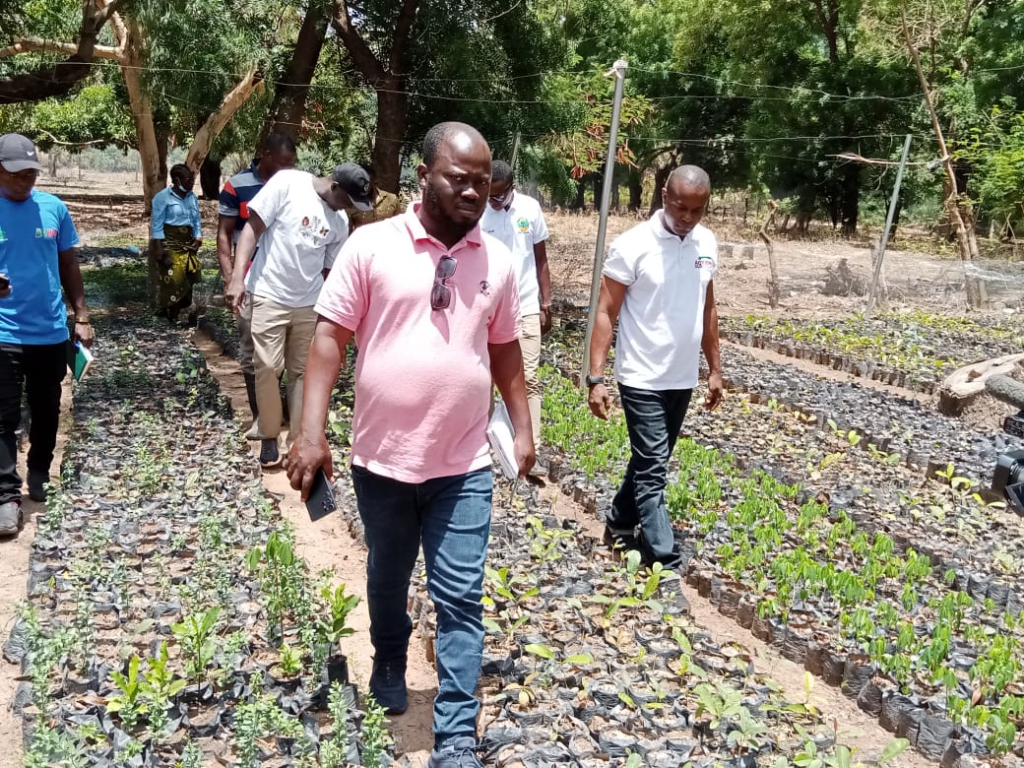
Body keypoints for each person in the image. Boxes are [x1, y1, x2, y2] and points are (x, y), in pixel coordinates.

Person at [287, 122, 534, 768]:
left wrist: (522, 425)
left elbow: (505, 349)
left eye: (482, 182)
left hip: (463, 464)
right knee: (388, 574)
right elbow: (328, 340)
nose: (473, 191)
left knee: (460, 596)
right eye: (459, 179)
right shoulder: (371, 247)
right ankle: (390, 659)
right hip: (383, 460)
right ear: (423, 177)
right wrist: (310, 433)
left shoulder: (498, 260)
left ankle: (454, 736)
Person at [587, 164, 723, 574]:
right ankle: (664, 557)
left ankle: (619, 522)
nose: (687, 218)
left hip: (681, 376)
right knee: (653, 467)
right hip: (640, 375)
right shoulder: (633, 245)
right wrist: (596, 377)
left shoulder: (706, 243)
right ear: (664, 196)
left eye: (697, 210)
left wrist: (715, 369)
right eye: (680, 207)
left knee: (651, 458)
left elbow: (708, 307)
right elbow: (605, 311)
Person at [224, 163, 373, 469]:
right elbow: (252, 229)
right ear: (334, 186)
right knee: (267, 366)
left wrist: (336, 321)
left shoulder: (340, 221)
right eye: (347, 201)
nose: (348, 208)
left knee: (303, 372)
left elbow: (330, 272)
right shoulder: (288, 184)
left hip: (309, 303)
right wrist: (237, 278)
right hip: (268, 293)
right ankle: (269, 434)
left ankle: (297, 440)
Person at [0, 133, 93, 536]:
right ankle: (6, 497)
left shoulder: (54, 208)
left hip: (50, 331)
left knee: (47, 408)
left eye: (31, 173)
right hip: (3, 332)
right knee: (3, 417)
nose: (25, 180)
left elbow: (68, 264)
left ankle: (39, 472)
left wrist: (81, 315)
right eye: (16, 174)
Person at [217, 134, 298, 437]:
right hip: (250, 282)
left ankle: (281, 411)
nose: (287, 170)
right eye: (283, 163)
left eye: (292, 164)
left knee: (285, 353)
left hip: (286, 283)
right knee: (253, 350)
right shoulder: (237, 186)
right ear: (265, 154)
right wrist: (231, 279)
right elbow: (224, 235)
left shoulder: (295, 187)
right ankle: (260, 416)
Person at [481, 160, 551, 475]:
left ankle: (530, 449)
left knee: (529, 378)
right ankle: (482, 448)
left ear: (512, 188)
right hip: (488, 307)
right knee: (483, 378)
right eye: (490, 195)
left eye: (499, 196)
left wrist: (546, 303)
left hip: (525, 306)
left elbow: (540, 258)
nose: (493, 201)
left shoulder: (530, 209)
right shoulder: (479, 214)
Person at [150, 164, 203, 323]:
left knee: (189, 276)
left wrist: (198, 238)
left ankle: (177, 311)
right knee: (174, 279)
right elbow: (157, 224)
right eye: (188, 179)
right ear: (177, 180)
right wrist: (159, 247)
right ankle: (170, 314)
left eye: (192, 179)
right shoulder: (162, 198)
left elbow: (196, 220)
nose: (191, 182)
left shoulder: (192, 197)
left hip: (188, 244)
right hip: (170, 244)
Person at [345, 163, 402, 232]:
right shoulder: (352, 204)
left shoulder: (391, 199)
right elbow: (348, 232)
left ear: (374, 179)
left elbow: (400, 225)